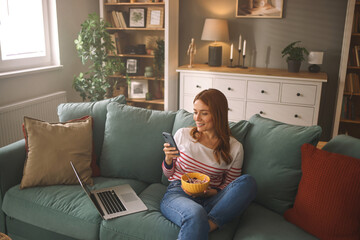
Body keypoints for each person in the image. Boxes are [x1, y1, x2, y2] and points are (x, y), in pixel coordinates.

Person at [160, 89, 257, 240]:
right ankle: (200, 221)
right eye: (195, 112)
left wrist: (210, 192)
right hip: (179, 192)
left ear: (218, 115)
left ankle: (206, 224)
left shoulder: (235, 148)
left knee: (248, 182)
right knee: (195, 212)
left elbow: (230, 185)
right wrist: (168, 160)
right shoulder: (182, 135)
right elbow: (169, 175)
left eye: (204, 113)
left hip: (211, 198)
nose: (197, 118)